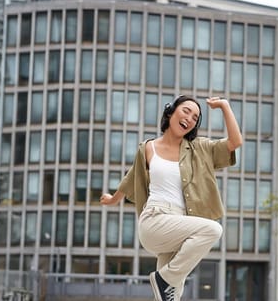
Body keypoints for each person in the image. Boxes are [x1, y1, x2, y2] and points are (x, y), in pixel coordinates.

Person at [100, 95, 241, 301]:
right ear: (170, 112)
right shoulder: (148, 147)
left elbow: (235, 142)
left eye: (195, 117)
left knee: (171, 297)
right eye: (186, 111)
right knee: (213, 229)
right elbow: (132, 176)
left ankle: (165, 280)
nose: (190, 118)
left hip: (180, 226)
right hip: (155, 220)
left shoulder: (200, 148)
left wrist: (224, 106)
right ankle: (164, 278)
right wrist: (113, 199)